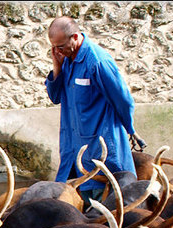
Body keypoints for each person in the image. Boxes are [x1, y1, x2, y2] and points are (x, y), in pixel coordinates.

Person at [45, 16, 143, 210]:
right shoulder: (66, 60)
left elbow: (123, 100)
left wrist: (129, 129)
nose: (57, 51)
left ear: (75, 37)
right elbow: (55, 97)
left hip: (99, 150)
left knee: (105, 211)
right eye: (54, 47)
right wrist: (57, 67)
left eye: (61, 46)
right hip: (73, 150)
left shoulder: (97, 62)